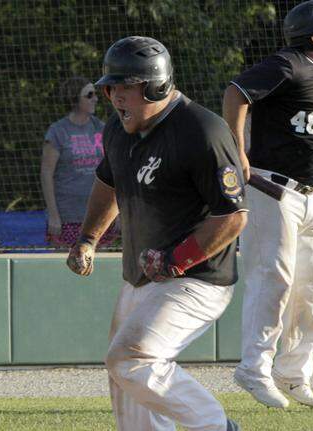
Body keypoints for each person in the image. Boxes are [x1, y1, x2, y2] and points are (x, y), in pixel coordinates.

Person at [68, 36, 246, 431]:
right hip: (140, 276)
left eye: (125, 86)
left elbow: (232, 217)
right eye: (110, 87)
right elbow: (109, 183)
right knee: (124, 375)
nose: (115, 96)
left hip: (195, 278)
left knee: (132, 358)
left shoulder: (202, 129)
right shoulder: (119, 130)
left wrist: (176, 260)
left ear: (157, 86)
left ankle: (216, 426)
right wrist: (88, 239)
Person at [222, 0, 313, 409]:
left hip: (310, 197)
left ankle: (293, 374)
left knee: (310, 285)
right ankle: (253, 368)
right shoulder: (288, 63)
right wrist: (237, 151)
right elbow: (236, 93)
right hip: (271, 190)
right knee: (272, 279)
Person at [41, 77, 116, 247]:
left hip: (99, 215)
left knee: (100, 262)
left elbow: (114, 170)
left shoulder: (101, 128)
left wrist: (116, 212)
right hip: (68, 217)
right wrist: (53, 215)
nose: (95, 98)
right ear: (74, 98)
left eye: (95, 94)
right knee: (66, 262)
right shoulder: (58, 131)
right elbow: (46, 174)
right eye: (89, 95)